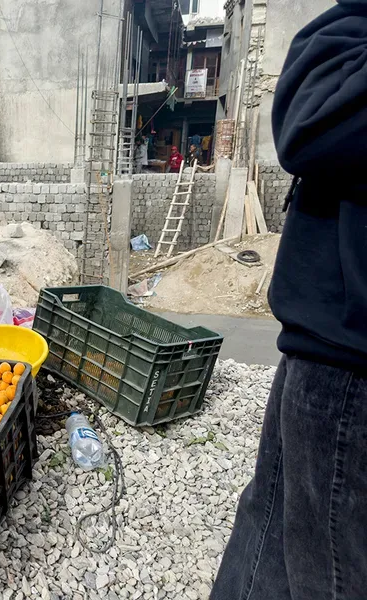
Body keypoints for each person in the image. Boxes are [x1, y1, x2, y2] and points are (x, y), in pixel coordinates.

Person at [212, 2, 367, 599]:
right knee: (271, 524)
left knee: (328, 567)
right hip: (323, 342)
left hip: (348, 359)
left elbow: (309, 117)